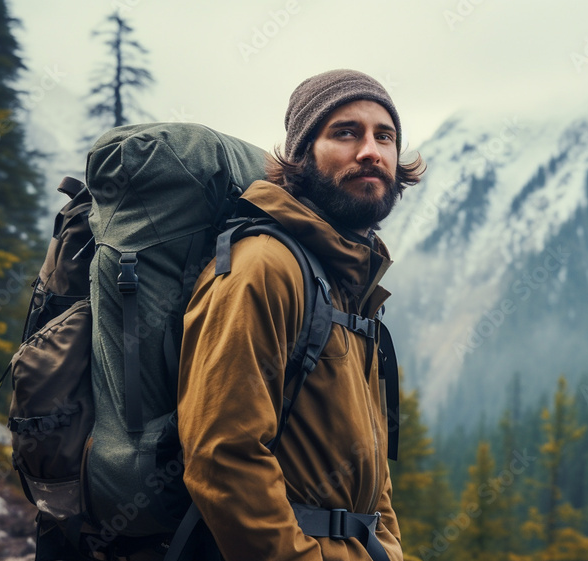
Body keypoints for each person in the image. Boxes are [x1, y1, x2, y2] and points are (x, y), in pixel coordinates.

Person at [177, 69, 424, 560]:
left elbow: (372, 476)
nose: (371, 150)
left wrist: (388, 550)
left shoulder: (348, 282)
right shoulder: (264, 267)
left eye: (385, 136)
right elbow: (223, 456)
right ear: (301, 155)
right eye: (345, 132)